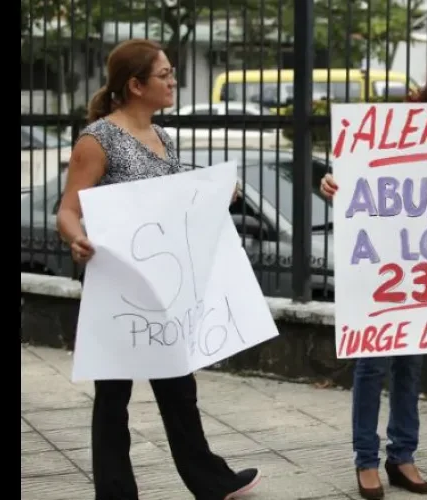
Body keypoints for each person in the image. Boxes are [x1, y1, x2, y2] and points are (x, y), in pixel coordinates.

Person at [56, 38, 260, 500]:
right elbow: (67, 211)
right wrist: (77, 238)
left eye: (172, 73)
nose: (173, 81)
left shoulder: (161, 136)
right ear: (135, 84)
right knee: (113, 398)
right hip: (117, 290)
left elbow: (171, 206)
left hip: (163, 289)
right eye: (164, 74)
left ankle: (210, 482)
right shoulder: (97, 139)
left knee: (178, 389)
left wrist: (214, 193)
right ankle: (115, 491)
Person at [319, 48, 427, 500]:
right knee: (372, 367)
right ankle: (365, 459)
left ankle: (403, 455)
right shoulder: (402, 122)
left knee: (411, 369)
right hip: (382, 268)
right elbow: (358, 173)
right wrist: (332, 181)